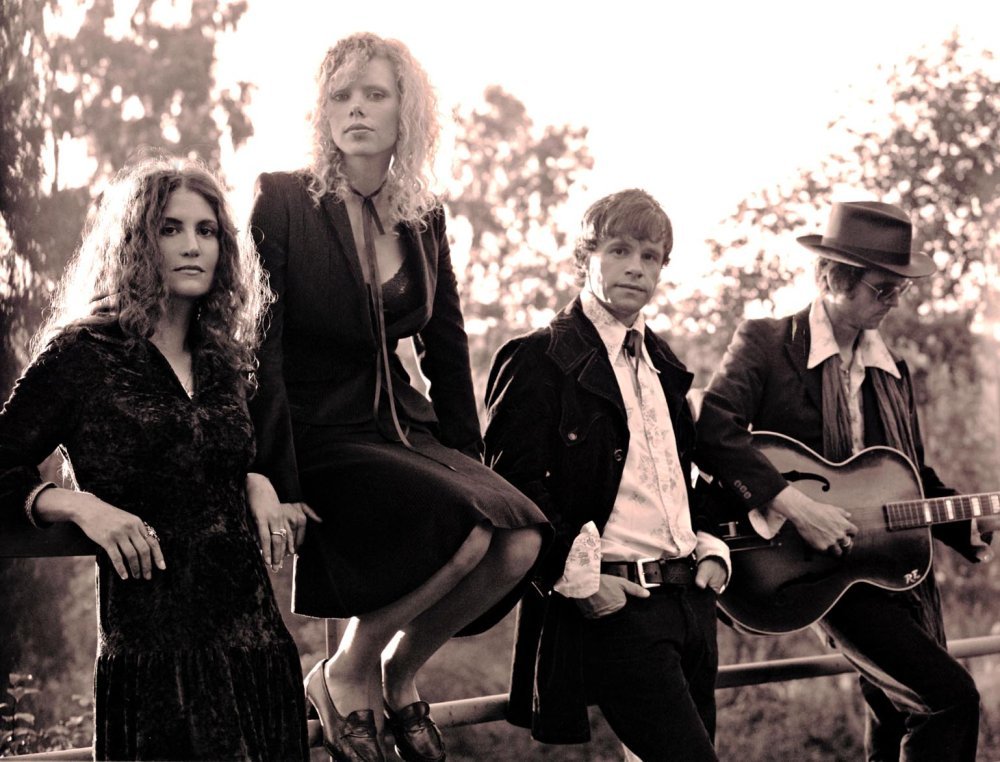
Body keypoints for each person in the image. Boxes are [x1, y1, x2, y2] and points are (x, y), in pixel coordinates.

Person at [248, 32, 548, 762]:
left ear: (405, 112)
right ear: (323, 112)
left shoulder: (424, 215)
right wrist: (277, 477)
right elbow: (262, 349)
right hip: (320, 430)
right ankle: (343, 671)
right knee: (465, 526)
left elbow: (447, 343)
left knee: (521, 538)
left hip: (405, 428)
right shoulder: (282, 200)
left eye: (375, 94)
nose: (356, 108)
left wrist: (469, 461)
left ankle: (398, 669)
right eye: (341, 95)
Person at [0, 156, 310, 760]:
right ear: (136, 242)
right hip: (156, 667)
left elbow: (210, 454)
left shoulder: (226, 360)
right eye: (170, 229)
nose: (192, 245)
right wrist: (79, 506)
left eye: (206, 230)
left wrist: (254, 479)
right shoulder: (83, 354)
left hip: (256, 649)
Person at [696, 200, 992, 761]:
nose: (895, 300)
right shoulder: (766, 342)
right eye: (883, 288)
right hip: (803, 569)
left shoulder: (892, 369)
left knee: (894, 715)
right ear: (834, 278)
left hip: (883, 564)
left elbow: (909, 474)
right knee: (949, 699)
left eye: (901, 288)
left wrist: (967, 524)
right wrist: (798, 508)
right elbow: (713, 430)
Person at [483, 189, 730, 761]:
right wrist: (581, 580)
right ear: (585, 258)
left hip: (691, 600)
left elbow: (681, 477)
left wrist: (711, 548)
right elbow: (511, 487)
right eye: (619, 250)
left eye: (650, 256)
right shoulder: (538, 357)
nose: (636, 268)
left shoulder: (665, 365)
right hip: (619, 605)